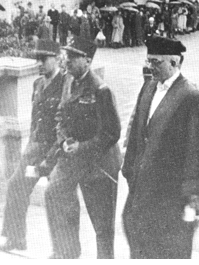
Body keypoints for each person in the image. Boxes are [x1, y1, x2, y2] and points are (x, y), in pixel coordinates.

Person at [122, 35, 199, 259]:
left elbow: (196, 149)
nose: (151, 67)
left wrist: (192, 196)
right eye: (148, 61)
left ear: (174, 62)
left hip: (170, 194)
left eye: (156, 62)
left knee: (168, 248)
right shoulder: (148, 88)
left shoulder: (191, 96)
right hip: (142, 187)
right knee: (136, 235)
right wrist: (129, 170)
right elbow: (137, 135)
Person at [43, 36, 122, 259]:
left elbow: (111, 133)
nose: (66, 61)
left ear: (87, 60)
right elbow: (60, 115)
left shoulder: (100, 89)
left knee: (102, 225)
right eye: (66, 56)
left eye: (73, 57)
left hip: (99, 163)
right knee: (54, 194)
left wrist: (81, 146)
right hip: (72, 156)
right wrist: (63, 140)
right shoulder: (68, 80)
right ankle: (66, 252)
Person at [0, 39, 65, 252]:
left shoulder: (66, 84)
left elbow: (67, 122)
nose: (39, 63)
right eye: (37, 59)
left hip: (58, 150)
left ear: (57, 58)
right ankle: (15, 238)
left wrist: (54, 153)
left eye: (44, 59)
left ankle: (62, 249)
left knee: (58, 195)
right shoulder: (38, 84)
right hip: (36, 148)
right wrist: (30, 146)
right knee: (16, 186)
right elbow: (36, 118)